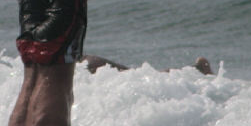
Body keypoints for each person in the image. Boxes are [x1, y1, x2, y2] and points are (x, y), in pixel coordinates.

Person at [81, 54, 214, 75]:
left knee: (143, 77)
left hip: (86, 63)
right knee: (142, 76)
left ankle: (198, 68)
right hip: (84, 60)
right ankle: (197, 69)